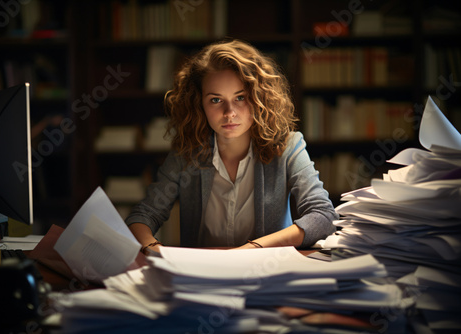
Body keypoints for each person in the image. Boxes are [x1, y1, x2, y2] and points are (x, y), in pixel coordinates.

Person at [126, 39, 337, 254]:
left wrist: (253, 248)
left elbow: (322, 216)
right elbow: (143, 215)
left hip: (266, 271)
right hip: (202, 275)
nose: (229, 113)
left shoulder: (288, 146)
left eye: (240, 98)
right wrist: (154, 249)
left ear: (258, 97)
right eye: (216, 100)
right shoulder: (187, 152)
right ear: (199, 103)